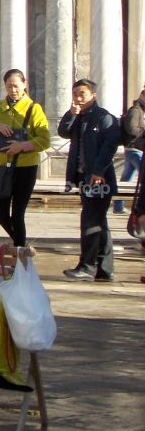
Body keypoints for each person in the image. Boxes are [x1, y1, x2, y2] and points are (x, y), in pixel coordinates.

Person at [0, 69, 51, 247]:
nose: (13, 90)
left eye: (16, 86)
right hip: (3, 168)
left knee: (18, 213)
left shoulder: (34, 109)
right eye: (9, 86)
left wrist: (23, 146)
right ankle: (22, 244)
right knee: (0, 213)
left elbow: (45, 140)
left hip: (26, 168)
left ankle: (20, 251)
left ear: (24, 85)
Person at [59, 78, 121, 281]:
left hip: (99, 179)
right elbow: (63, 132)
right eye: (75, 94)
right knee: (99, 222)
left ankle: (87, 266)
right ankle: (105, 268)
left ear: (93, 95)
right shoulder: (79, 118)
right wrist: (70, 115)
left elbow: (109, 147)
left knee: (90, 222)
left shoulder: (104, 118)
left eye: (82, 94)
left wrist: (98, 171)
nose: (78, 98)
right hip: (83, 177)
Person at [116, 82, 145, 215]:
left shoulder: (140, 111)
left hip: (133, 148)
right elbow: (131, 128)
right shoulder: (135, 110)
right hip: (134, 148)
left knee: (126, 178)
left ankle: (118, 205)